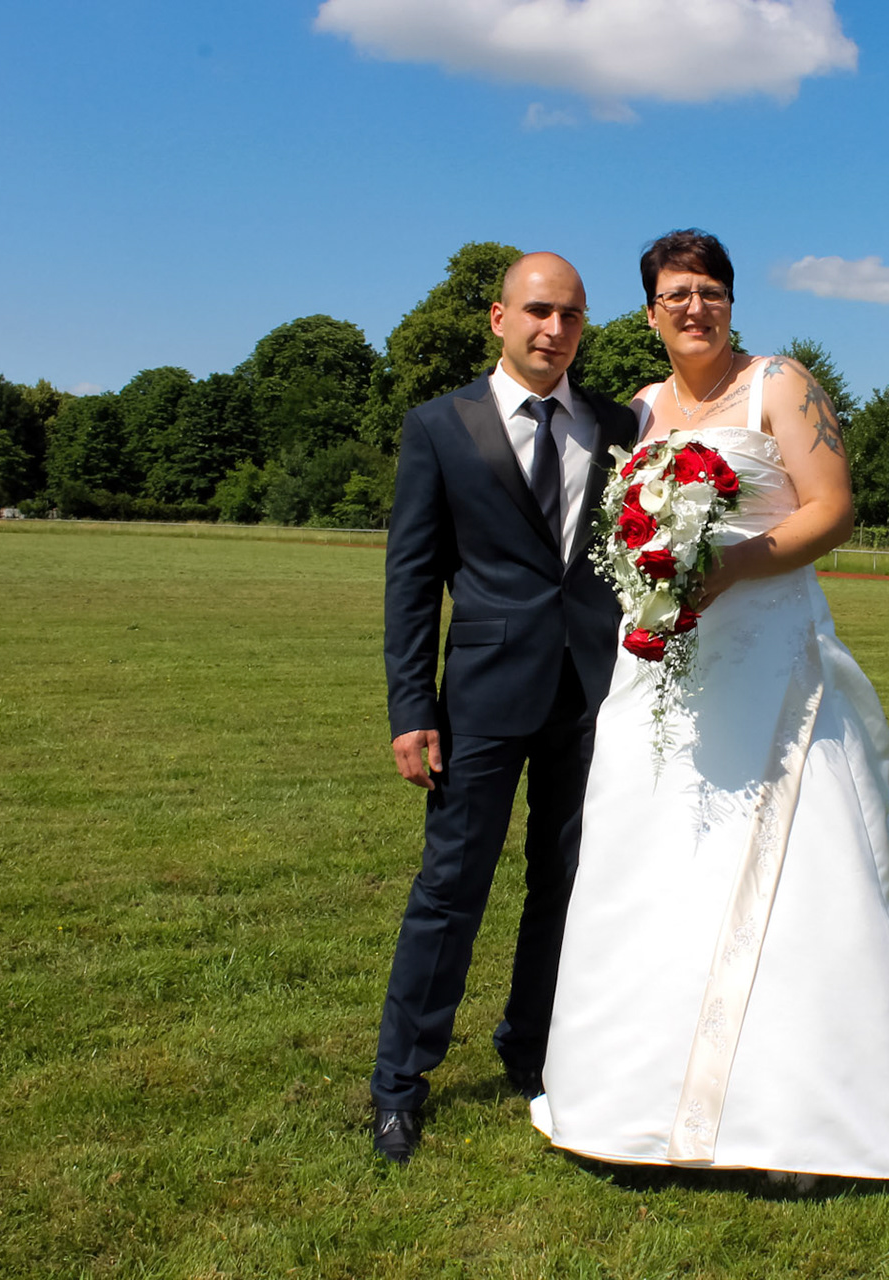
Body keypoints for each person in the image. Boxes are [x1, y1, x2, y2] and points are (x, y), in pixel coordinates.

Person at [531, 230, 889, 1178]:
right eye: (677, 294)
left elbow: (832, 507)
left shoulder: (781, 383)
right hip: (662, 668)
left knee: (809, 872)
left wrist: (734, 565)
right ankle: (634, 1098)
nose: (696, 307)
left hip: (769, 660)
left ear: (731, 303)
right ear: (649, 314)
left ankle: (810, 1109)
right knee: (652, 865)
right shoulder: (639, 409)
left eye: (712, 291)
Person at [372, 252, 638, 1166]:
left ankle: (533, 1046)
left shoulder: (616, 424)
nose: (554, 329)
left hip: (592, 696)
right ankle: (400, 1083)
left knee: (565, 884)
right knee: (451, 888)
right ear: (498, 318)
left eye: (571, 315)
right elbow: (412, 581)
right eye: (537, 311)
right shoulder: (438, 427)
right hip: (481, 699)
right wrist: (412, 707)